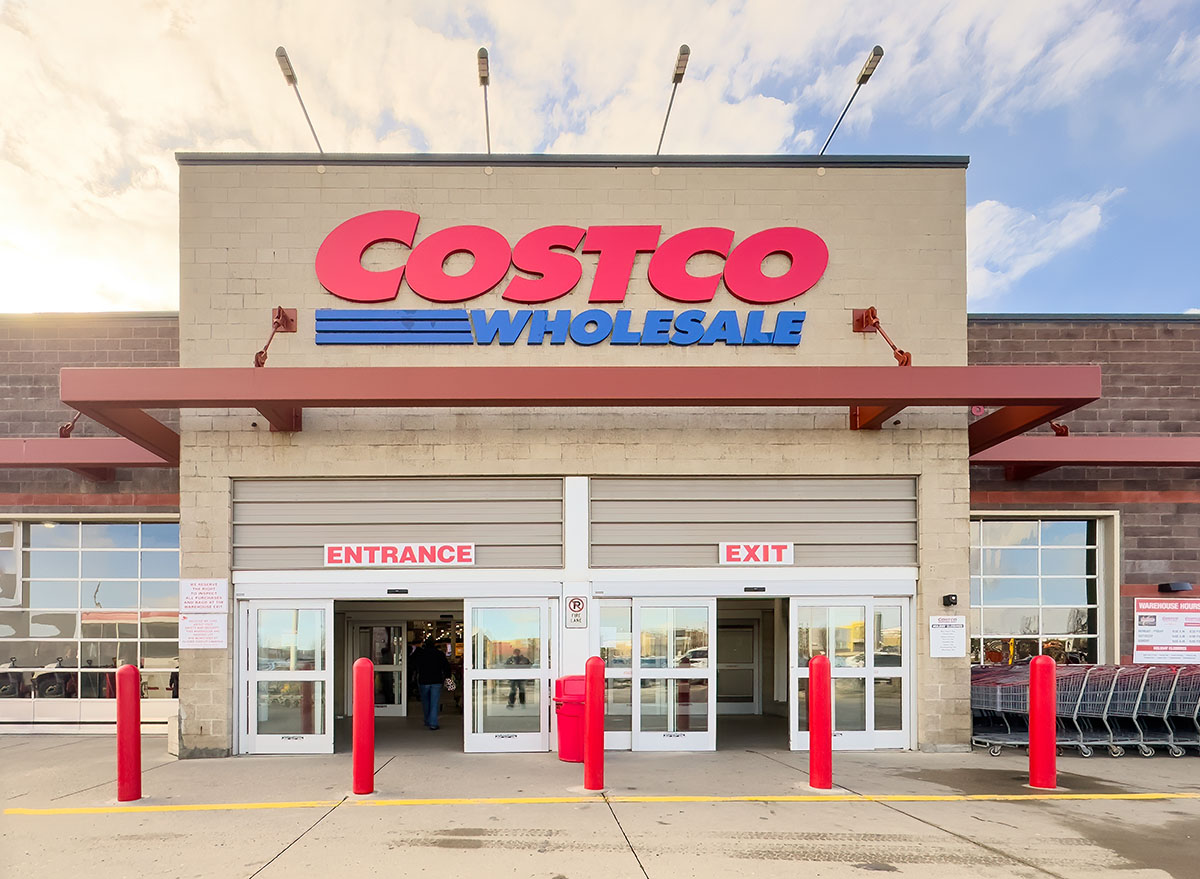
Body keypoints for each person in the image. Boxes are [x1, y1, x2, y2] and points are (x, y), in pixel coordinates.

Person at [411, 637, 451, 730]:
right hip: (436, 680)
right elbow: (446, 667)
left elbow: (412, 662)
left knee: (425, 702)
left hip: (423, 680)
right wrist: (447, 677)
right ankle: (433, 723)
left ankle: (427, 720)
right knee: (434, 702)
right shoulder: (439, 654)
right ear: (434, 644)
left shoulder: (420, 653)